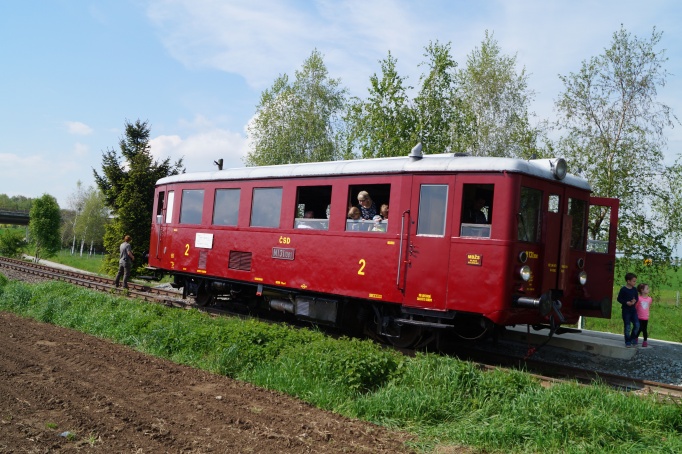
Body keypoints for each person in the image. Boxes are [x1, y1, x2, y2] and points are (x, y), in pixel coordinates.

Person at [616, 272, 640, 347]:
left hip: (633, 310)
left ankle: (632, 338)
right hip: (626, 311)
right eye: (633, 281)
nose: (635, 282)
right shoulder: (623, 290)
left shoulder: (635, 289)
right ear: (628, 281)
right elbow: (619, 299)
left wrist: (634, 301)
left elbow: (636, 298)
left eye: (635, 281)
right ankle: (627, 341)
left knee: (637, 325)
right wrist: (626, 302)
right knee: (627, 326)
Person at [634, 283, 652, 348]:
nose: (648, 290)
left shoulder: (649, 299)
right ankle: (635, 338)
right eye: (647, 288)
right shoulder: (638, 298)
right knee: (639, 328)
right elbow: (636, 307)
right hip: (639, 317)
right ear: (642, 290)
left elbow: (648, 306)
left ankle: (645, 341)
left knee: (644, 329)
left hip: (645, 317)